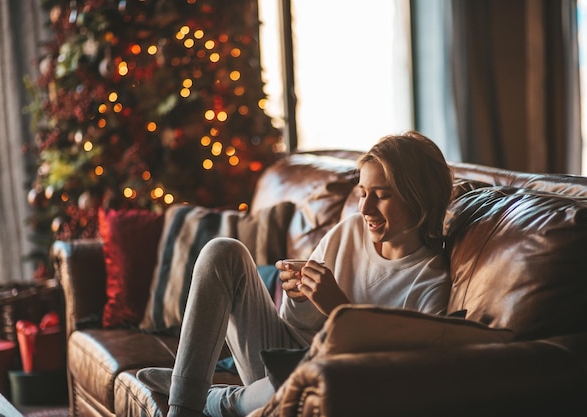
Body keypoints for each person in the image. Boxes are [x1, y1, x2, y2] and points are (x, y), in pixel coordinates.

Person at [136, 130, 454, 417]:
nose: (365, 209)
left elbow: (394, 381)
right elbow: (293, 329)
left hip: (321, 380)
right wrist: (300, 297)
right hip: (282, 358)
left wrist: (338, 309)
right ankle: (184, 404)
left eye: (381, 196)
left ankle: (207, 395)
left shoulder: (429, 283)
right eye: (362, 193)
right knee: (222, 251)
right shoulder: (348, 232)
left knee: (301, 377)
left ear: (418, 198)